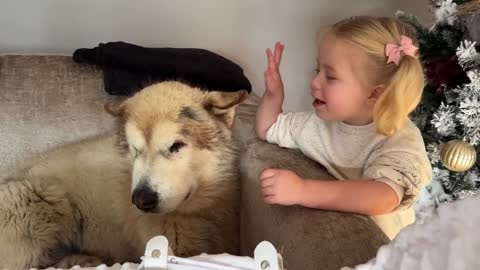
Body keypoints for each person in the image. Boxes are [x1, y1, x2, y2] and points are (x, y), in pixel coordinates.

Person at [255, 16, 432, 239]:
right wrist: (273, 96)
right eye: (317, 69)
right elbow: (268, 128)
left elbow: (383, 197)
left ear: (374, 93)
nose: (314, 82)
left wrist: (303, 191)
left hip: (381, 250)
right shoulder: (319, 123)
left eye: (330, 76)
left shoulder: (400, 139)